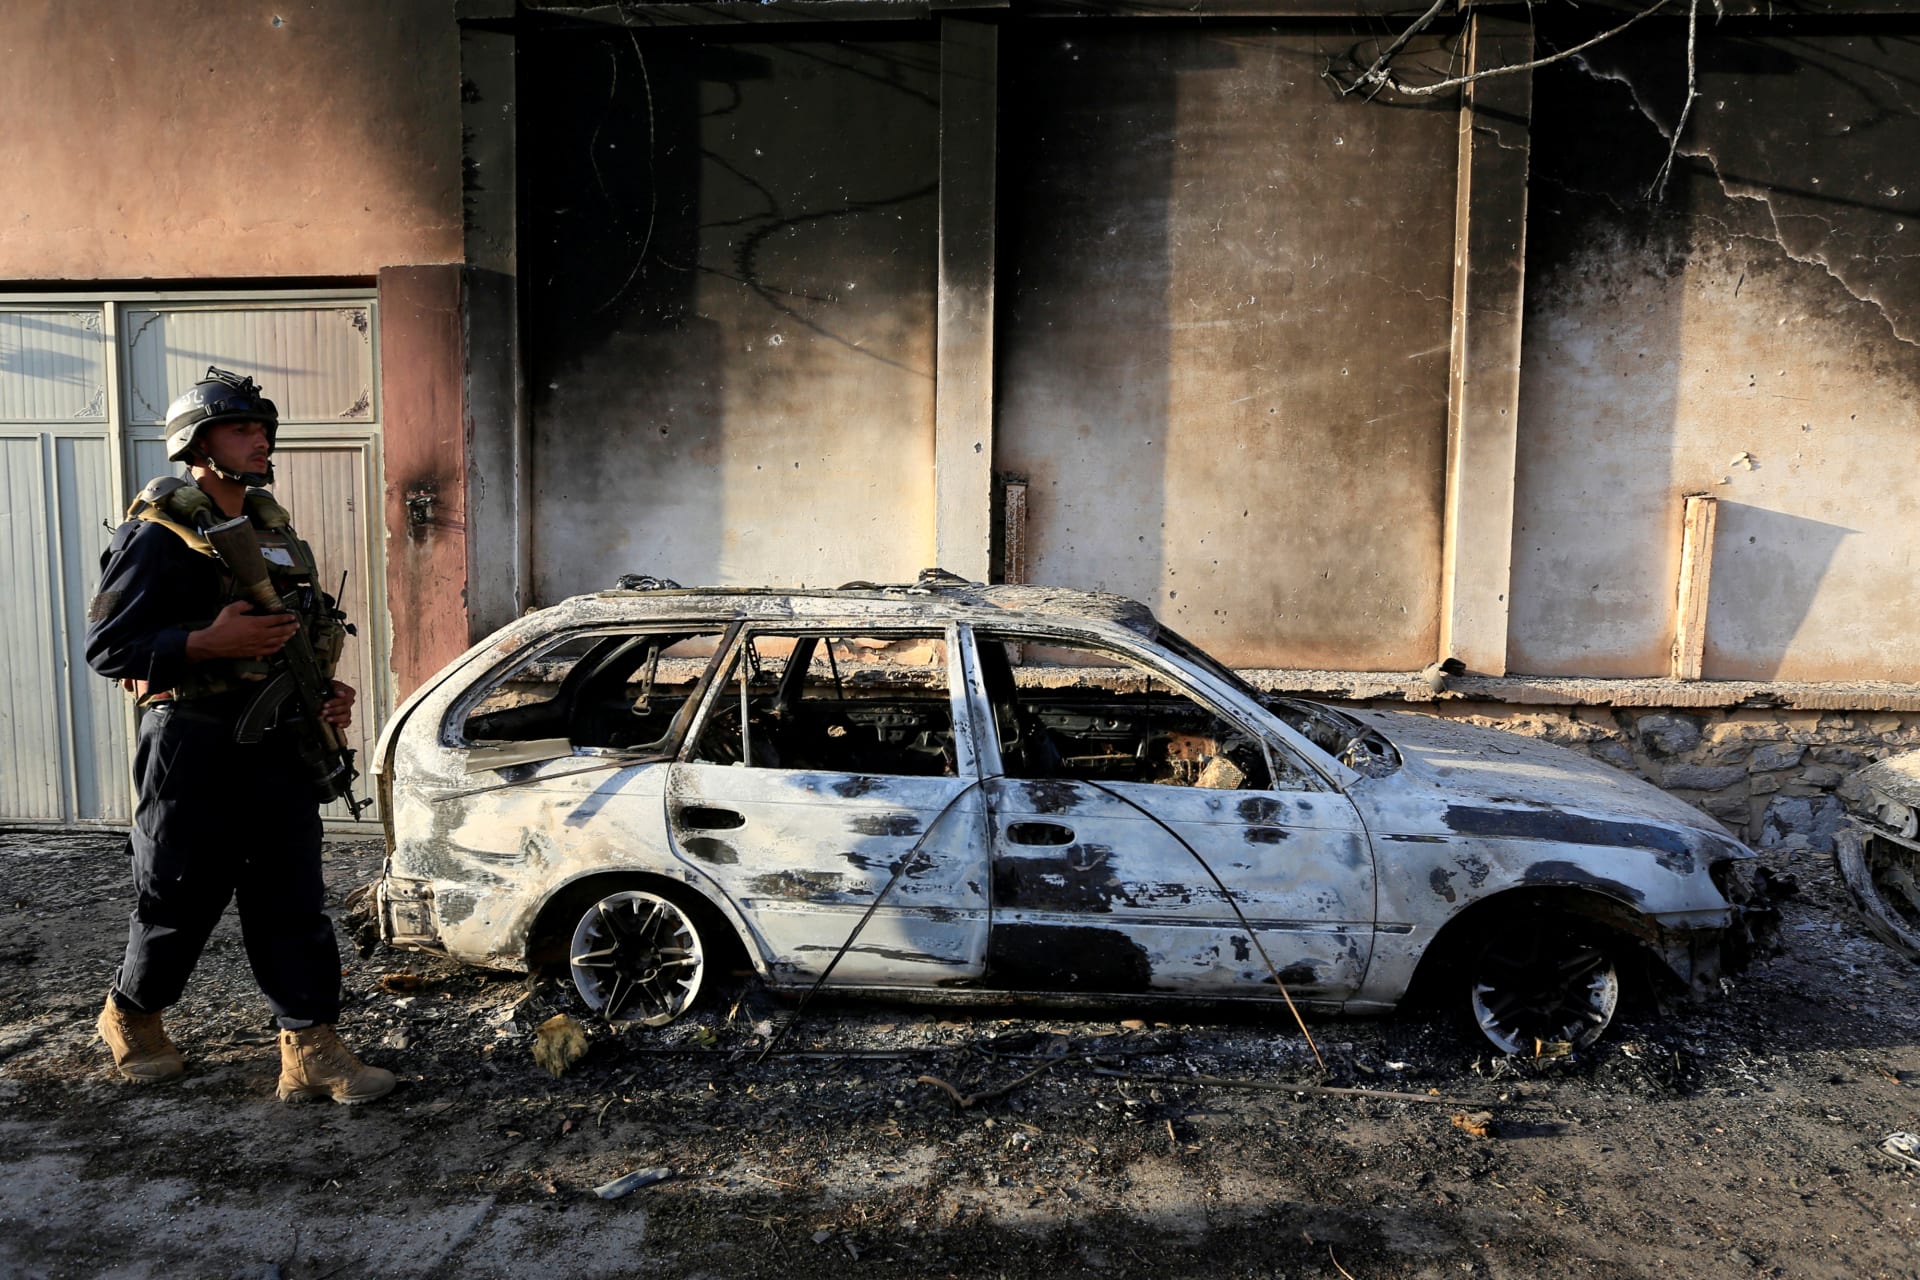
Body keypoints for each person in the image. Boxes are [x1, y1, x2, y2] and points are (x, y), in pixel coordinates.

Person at [84, 367, 394, 1105]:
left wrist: (325, 693)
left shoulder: (274, 534)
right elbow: (108, 647)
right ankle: (131, 1015)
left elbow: (304, 633)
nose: (260, 440)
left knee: (293, 900)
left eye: (262, 428)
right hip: (191, 744)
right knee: (177, 898)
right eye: (240, 427)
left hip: (279, 741)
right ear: (198, 444)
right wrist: (203, 642)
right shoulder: (157, 536)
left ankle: (310, 1047)